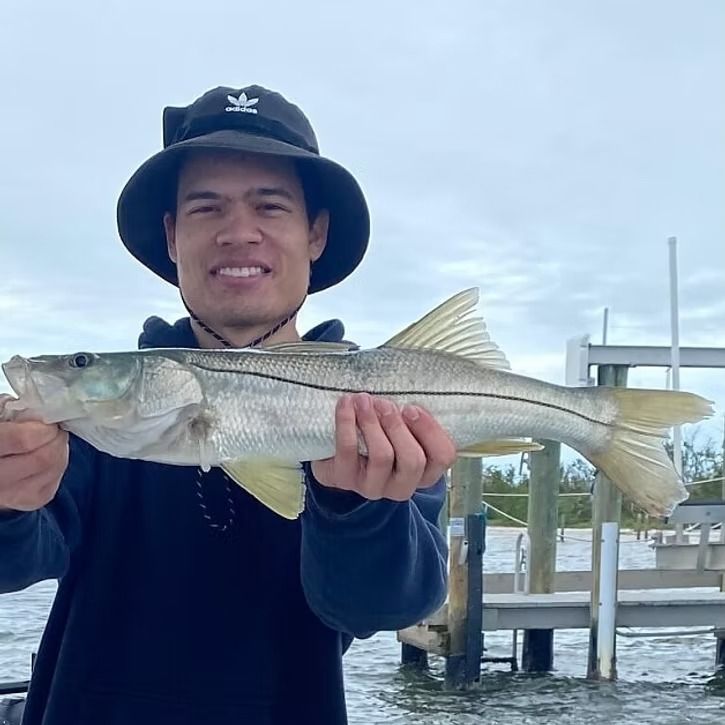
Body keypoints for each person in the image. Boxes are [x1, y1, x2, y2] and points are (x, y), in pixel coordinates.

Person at [0, 84, 453, 725]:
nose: (239, 233)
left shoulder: (386, 406)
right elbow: (17, 564)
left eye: (270, 206)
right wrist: (7, 501)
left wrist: (357, 507)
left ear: (316, 233)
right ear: (172, 236)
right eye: (206, 208)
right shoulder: (98, 419)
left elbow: (378, 610)